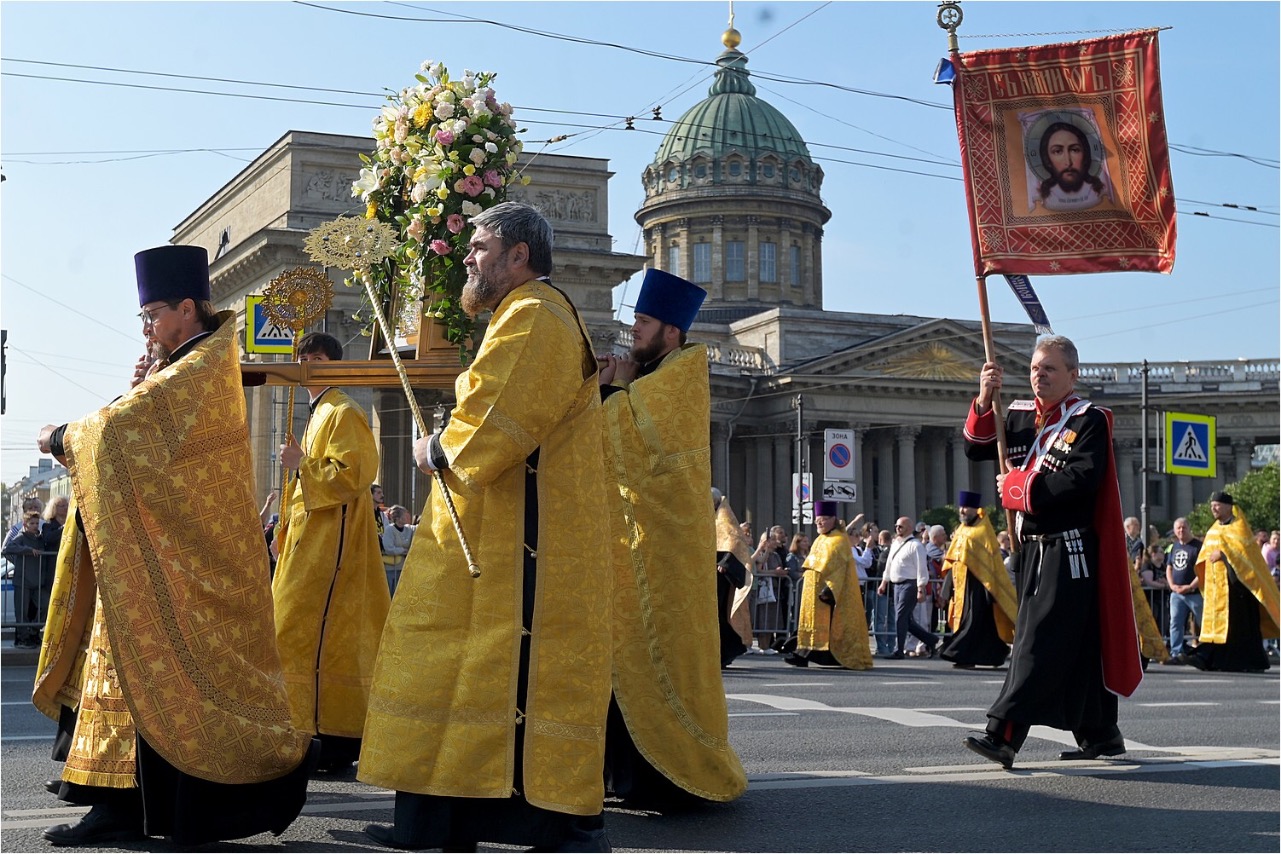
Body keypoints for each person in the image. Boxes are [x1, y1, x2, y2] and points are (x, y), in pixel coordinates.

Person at [31, 244, 316, 846]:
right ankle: (114, 807)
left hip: (184, 562)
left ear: (188, 308)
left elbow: (122, 434)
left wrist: (60, 435)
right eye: (143, 318)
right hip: (148, 554)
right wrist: (144, 384)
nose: (146, 328)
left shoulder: (205, 364)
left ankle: (186, 811)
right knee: (125, 674)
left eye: (154, 315)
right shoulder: (181, 362)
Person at [360, 202, 613, 852]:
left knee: (460, 672)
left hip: (515, 558)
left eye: (478, 245)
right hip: (491, 546)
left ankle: (512, 824)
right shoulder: (526, 315)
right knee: (444, 673)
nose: (467, 257)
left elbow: (492, 432)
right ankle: (437, 822)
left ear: (517, 255)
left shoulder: (534, 315)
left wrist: (432, 449)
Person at [596, 267, 747, 809]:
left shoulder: (682, 374)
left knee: (656, 663)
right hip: (638, 547)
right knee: (622, 664)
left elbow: (630, 446)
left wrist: (615, 387)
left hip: (663, 554)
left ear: (672, 331)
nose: (633, 328)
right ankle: (623, 775)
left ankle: (671, 773)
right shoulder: (654, 371)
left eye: (643, 320)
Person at [961, 335, 1141, 770]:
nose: (1038, 375)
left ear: (1073, 375)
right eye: (1035, 368)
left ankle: (1002, 734)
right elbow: (977, 447)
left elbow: (1082, 479)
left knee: (1036, 641)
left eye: (1050, 369)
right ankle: (1101, 733)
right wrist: (985, 399)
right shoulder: (1020, 414)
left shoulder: (1089, 420)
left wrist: (1020, 489)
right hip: (1032, 548)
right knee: (1077, 645)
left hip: (1070, 545)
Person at [271, 331, 391, 776]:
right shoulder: (318, 411)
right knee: (297, 634)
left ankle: (331, 738)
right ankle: (308, 731)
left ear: (334, 363)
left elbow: (353, 473)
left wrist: (299, 463)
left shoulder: (342, 410)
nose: (310, 366)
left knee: (318, 633)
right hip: (310, 538)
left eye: (318, 358)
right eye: (304, 359)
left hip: (332, 545)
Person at [1184, 492, 1280, 673]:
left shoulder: (1239, 528)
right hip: (1217, 590)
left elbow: (1246, 558)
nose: (1213, 508)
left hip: (1238, 589)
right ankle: (1208, 659)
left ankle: (1227, 660)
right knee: (1218, 628)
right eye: (1212, 505)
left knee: (1238, 628)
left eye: (1218, 505)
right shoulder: (1213, 530)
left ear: (1229, 507)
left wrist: (1224, 555)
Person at [784, 501, 873, 670]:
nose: (819, 522)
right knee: (810, 623)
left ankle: (832, 656)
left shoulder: (839, 540)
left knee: (829, 625)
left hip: (828, 593)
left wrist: (829, 591)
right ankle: (801, 655)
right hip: (811, 593)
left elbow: (838, 568)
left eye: (823, 519)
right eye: (818, 519)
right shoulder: (820, 539)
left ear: (833, 519)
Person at [938, 491, 1018, 669]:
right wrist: (946, 588)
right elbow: (953, 559)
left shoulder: (982, 531)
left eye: (966, 507)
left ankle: (960, 653)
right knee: (979, 625)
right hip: (962, 585)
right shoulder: (961, 530)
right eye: (961, 507)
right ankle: (994, 655)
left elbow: (990, 562)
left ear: (976, 509)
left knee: (974, 621)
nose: (963, 510)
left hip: (980, 586)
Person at [877, 516, 940, 660]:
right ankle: (931, 640)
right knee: (907, 620)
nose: (897, 529)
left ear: (910, 528)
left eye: (901, 526)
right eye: (896, 526)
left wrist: (921, 588)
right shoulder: (895, 544)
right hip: (896, 585)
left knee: (900, 617)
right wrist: (884, 582)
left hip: (909, 585)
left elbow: (921, 568)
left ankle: (899, 650)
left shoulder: (916, 545)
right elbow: (889, 565)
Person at [1034, 121, 1107, 211]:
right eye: (1057, 151)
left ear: (1085, 154)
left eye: (1075, 150)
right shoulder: (1044, 195)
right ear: (1047, 159)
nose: (1068, 162)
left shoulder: (1098, 190)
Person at [715, 492, 751, 668]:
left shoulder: (727, 524)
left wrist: (725, 563)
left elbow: (735, 545)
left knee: (718, 614)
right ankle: (726, 651)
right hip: (708, 576)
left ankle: (729, 649)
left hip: (720, 578)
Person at [3, 511, 49, 647]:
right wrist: (27, 550)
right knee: (21, 612)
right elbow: (8, 548)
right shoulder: (21, 537)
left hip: (38, 582)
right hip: (22, 581)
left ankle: (33, 631)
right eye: (32, 523)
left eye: (36, 523)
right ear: (25, 524)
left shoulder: (41, 538)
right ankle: (23, 639)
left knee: (44, 605)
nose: (35, 526)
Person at [1162, 517, 1203, 664]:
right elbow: (1169, 567)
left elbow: (1203, 571)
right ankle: (1176, 652)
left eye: (1183, 527)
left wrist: (1191, 586)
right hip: (1177, 594)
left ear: (1189, 528)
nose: (1181, 530)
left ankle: (1206, 652)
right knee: (1175, 623)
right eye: (1178, 528)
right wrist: (1172, 585)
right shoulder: (1174, 547)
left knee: (1202, 623)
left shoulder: (1199, 546)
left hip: (1195, 593)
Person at [869, 528, 897, 655]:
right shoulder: (886, 553)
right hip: (883, 591)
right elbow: (882, 568)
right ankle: (881, 647)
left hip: (894, 591)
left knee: (893, 620)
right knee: (880, 619)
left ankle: (891, 647)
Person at [381, 505, 416, 596]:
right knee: (390, 593)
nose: (408, 517)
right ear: (398, 518)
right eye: (405, 515)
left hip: (403, 568)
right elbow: (388, 548)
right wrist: (402, 551)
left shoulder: (409, 529)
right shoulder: (389, 530)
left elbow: (418, 528)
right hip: (390, 568)